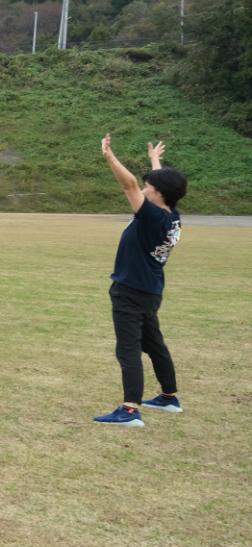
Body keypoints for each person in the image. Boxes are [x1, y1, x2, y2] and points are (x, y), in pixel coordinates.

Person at [94, 137, 187, 428]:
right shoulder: (172, 215)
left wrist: (109, 156)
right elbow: (155, 186)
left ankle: (130, 410)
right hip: (150, 289)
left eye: (151, 187)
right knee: (154, 344)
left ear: (158, 195)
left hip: (131, 290)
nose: (145, 190)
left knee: (128, 349)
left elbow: (130, 185)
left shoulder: (151, 216)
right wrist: (155, 161)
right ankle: (169, 397)